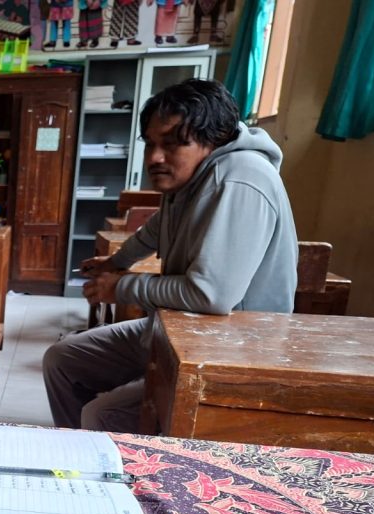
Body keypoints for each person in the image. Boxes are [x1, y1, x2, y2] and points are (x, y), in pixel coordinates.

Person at [43, 78, 298, 433]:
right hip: (181, 331)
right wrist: (116, 262)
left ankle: (111, 467)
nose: (155, 158)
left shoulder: (239, 179)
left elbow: (210, 295)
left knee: (103, 415)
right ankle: (78, 457)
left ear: (215, 140)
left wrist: (124, 286)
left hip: (231, 352)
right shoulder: (191, 179)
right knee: (63, 359)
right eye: (150, 143)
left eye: (173, 144)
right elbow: (157, 227)